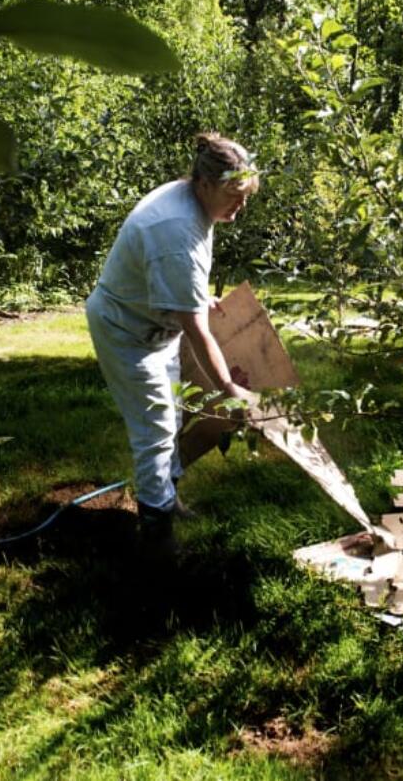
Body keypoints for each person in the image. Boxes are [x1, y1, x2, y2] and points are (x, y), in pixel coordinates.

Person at [86, 132, 259, 526]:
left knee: (173, 418)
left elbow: (174, 276)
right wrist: (229, 391)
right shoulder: (175, 229)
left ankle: (167, 501)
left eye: (246, 193)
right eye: (234, 193)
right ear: (203, 184)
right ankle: (156, 530)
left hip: (154, 327)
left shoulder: (195, 201)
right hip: (126, 333)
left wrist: (193, 295)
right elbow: (198, 332)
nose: (242, 203)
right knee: (156, 431)